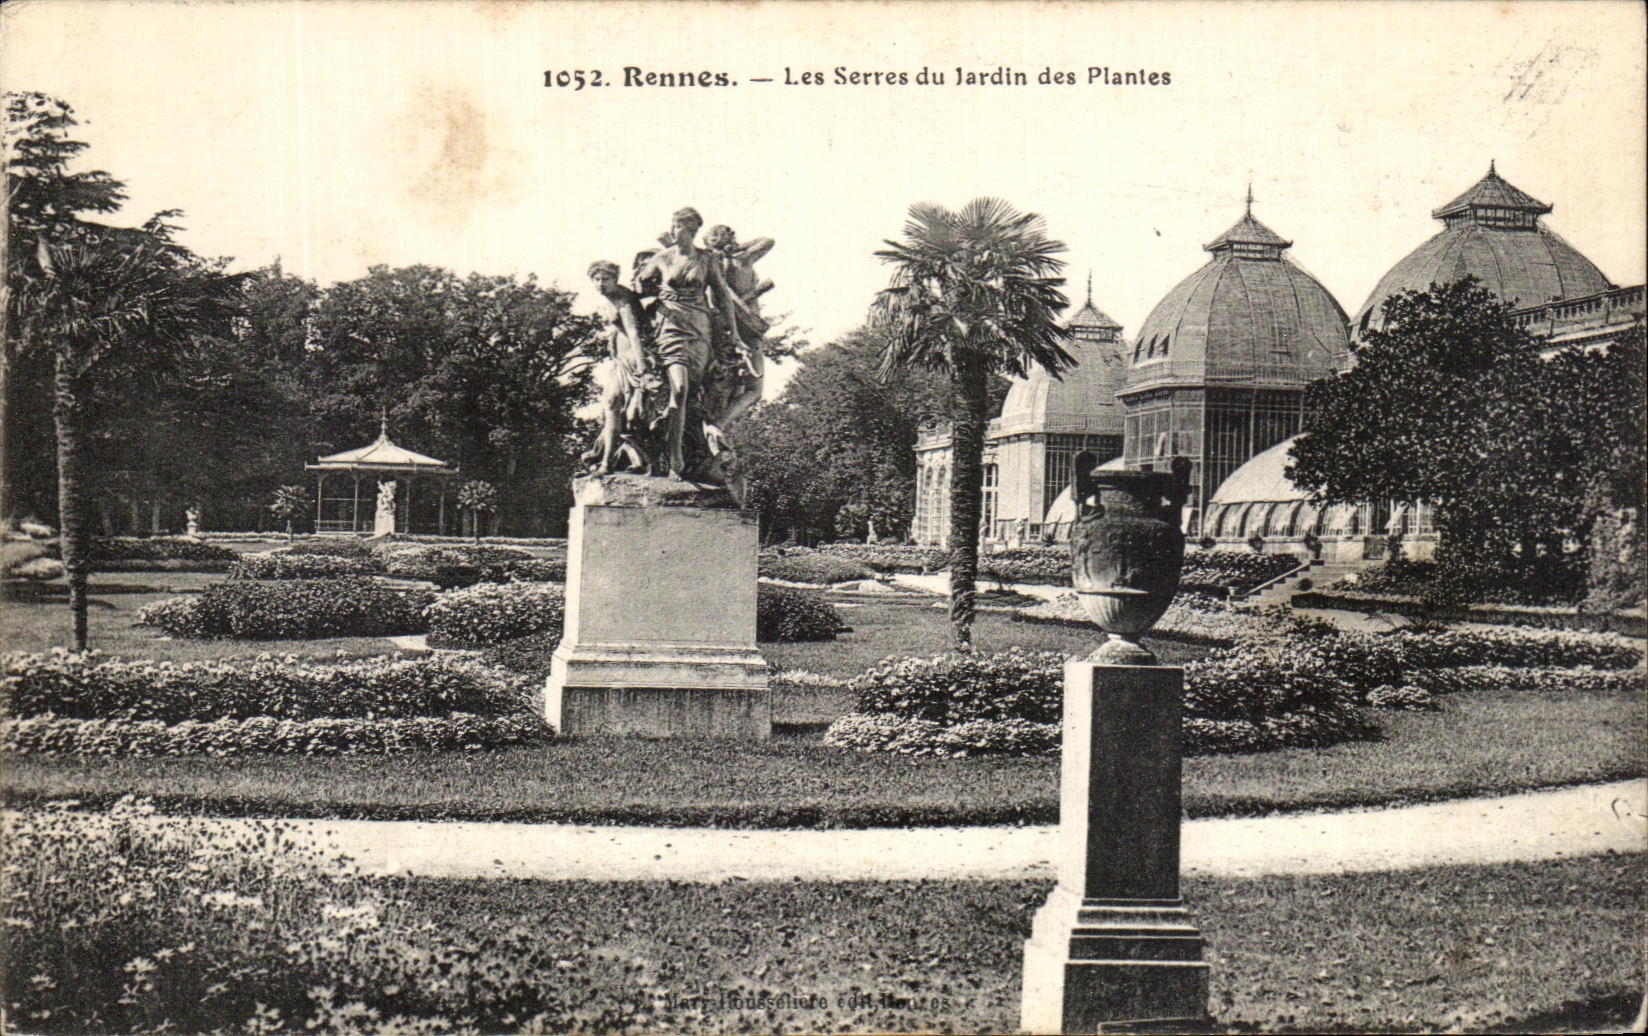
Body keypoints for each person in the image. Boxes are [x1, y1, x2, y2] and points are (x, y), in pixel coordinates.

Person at [635, 207, 740, 478]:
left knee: (691, 392)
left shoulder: (706, 258)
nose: (674, 231)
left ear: (692, 230)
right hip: (670, 326)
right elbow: (639, 287)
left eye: (680, 226)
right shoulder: (662, 258)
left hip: (699, 328)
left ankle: (690, 451)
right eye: (673, 226)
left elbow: (722, 296)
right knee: (679, 388)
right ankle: (675, 456)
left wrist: (735, 333)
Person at [581, 260, 658, 474]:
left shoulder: (623, 299)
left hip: (633, 361)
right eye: (596, 279)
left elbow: (633, 332)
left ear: (615, 280)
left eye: (605, 279)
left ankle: (611, 462)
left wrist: (642, 366)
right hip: (621, 360)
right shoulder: (611, 298)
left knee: (622, 408)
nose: (600, 284)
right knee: (613, 406)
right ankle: (608, 461)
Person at [704, 225, 774, 445]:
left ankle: (714, 426)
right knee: (754, 389)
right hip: (746, 328)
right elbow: (768, 240)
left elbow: (768, 240)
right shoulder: (742, 260)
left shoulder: (710, 263)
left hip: (723, 327)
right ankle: (718, 425)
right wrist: (739, 247)